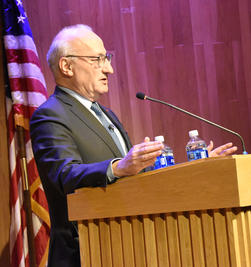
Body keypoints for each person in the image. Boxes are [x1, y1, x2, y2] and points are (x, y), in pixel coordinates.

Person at [30, 24, 237, 267]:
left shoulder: (106, 114)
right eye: (98, 59)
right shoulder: (50, 115)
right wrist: (118, 167)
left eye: (107, 58)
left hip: (127, 246)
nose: (109, 69)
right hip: (84, 253)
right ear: (67, 66)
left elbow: (136, 178)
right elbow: (64, 175)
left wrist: (194, 168)